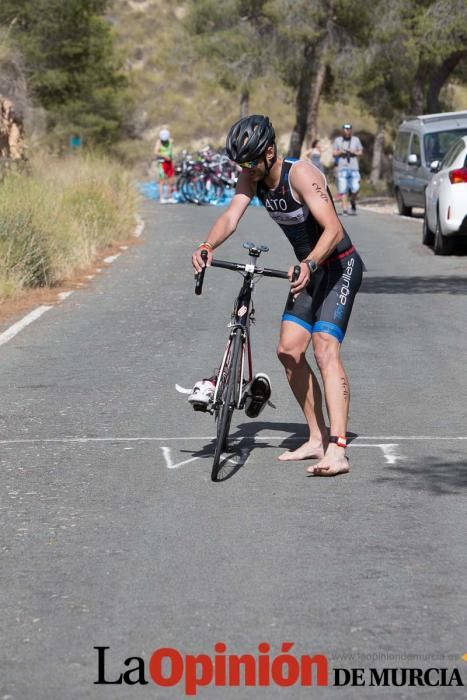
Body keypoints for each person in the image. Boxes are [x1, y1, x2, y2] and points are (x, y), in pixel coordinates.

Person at [192, 115, 364, 477]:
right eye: (241, 165)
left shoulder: (300, 175)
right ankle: (315, 438)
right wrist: (207, 245)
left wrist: (311, 263)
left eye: (252, 162)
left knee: (323, 348)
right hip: (308, 270)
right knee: (288, 350)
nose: (247, 171)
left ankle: (338, 449)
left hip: (338, 265)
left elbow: (333, 229)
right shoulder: (252, 176)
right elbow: (231, 215)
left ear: (270, 152)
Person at [332, 123, 363, 215]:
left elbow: (360, 152)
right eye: (345, 129)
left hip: (354, 168)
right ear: (342, 130)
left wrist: (354, 152)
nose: (347, 131)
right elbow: (333, 153)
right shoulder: (338, 140)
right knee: (343, 190)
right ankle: (345, 209)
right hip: (342, 168)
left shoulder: (356, 140)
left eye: (348, 129)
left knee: (356, 188)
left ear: (351, 130)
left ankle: (353, 201)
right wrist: (340, 152)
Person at [153, 128, 176, 203]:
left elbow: (171, 150)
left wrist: (170, 158)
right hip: (162, 163)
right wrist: (164, 156)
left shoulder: (171, 141)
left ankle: (169, 197)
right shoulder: (159, 142)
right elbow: (156, 152)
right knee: (162, 181)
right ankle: (161, 198)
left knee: (171, 180)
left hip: (169, 163)